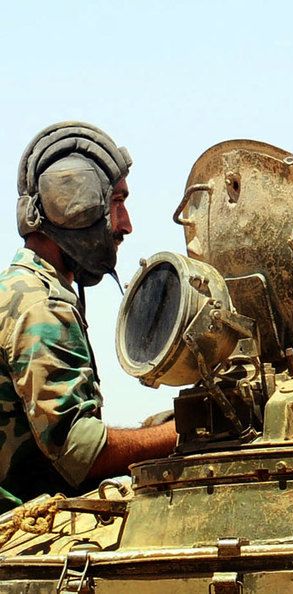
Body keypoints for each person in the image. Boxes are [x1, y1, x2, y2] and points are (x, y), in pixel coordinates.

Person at [0, 122, 176, 512]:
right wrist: (181, 434)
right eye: (117, 202)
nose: (126, 224)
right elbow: (81, 453)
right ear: (75, 205)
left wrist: (158, 428)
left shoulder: (22, 289)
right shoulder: (40, 305)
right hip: (19, 528)